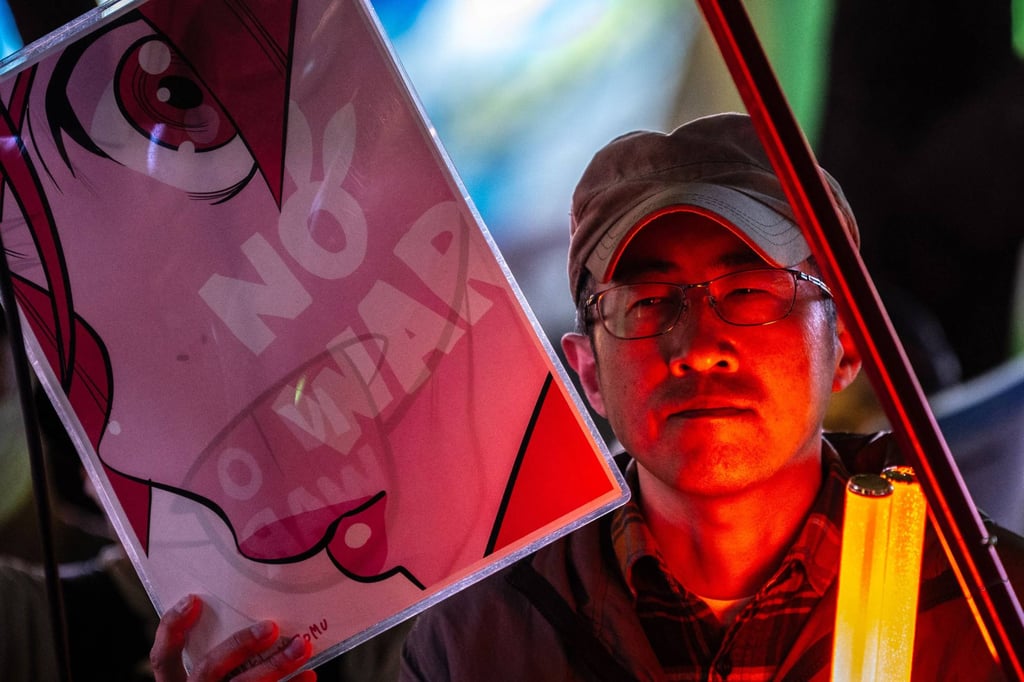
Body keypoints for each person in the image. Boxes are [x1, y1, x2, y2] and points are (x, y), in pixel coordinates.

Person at [150, 113, 1024, 680]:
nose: (698, 345)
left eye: (752, 291)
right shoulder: (484, 637)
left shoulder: (982, 602)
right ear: (587, 371)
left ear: (847, 349)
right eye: (647, 304)